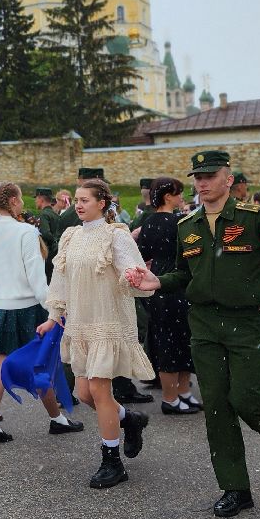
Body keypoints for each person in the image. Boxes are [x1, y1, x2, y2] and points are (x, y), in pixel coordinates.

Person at [126, 150, 260, 518]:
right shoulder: (187, 225)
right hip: (205, 325)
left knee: (246, 398)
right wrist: (157, 280)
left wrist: (253, 286)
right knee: (216, 406)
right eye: (198, 177)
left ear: (229, 180)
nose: (202, 182)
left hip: (246, 324)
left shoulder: (257, 219)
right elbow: (184, 275)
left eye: (210, 175)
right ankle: (235, 487)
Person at [40, 179, 154, 487]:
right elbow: (60, 279)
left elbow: (136, 272)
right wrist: (53, 316)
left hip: (107, 319)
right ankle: (130, 419)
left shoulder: (115, 235)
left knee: (101, 392)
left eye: (85, 200)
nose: (78, 204)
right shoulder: (70, 235)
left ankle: (112, 461)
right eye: (76, 199)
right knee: (84, 393)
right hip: (80, 323)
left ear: (102, 203)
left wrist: (132, 276)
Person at [0, 182, 81, 442]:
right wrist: (54, 308)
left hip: (0, 304)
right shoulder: (26, 231)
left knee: (0, 363)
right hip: (26, 306)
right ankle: (56, 419)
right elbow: (37, 278)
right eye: (20, 198)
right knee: (42, 363)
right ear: (13, 200)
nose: (23, 202)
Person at [136, 177, 201, 414]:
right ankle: (171, 397)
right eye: (178, 193)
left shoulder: (148, 222)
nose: (182, 197)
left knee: (173, 339)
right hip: (177, 282)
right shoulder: (180, 222)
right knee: (177, 341)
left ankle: (182, 393)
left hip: (157, 284)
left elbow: (142, 253)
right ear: (167, 196)